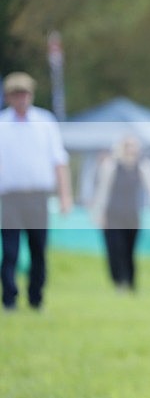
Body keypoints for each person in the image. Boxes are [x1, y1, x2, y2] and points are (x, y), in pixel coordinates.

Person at [0, 72, 72, 311]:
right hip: (9, 198)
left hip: (37, 197)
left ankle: (35, 298)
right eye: (16, 94)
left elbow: (59, 161)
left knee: (38, 250)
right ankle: (9, 298)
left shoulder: (45, 122)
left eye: (25, 93)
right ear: (9, 97)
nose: (21, 99)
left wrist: (65, 195)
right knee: (9, 251)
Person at [92, 136, 150, 291]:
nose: (131, 150)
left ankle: (130, 282)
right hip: (113, 216)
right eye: (128, 146)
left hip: (132, 216)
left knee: (129, 250)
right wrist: (99, 213)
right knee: (115, 249)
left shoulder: (143, 166)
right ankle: (118, 281)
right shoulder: (111, 166)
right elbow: (102, 191)